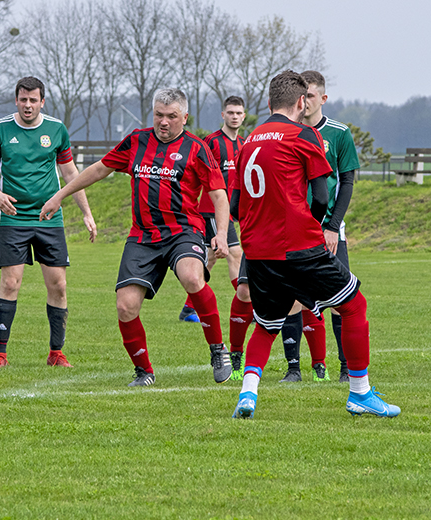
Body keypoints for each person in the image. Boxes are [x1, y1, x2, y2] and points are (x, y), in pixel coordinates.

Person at [230, 70, 399, 419]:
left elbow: (234, 205)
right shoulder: (304, 134)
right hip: (300, 246)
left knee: (266, 324)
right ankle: (360, 393)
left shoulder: (248, 142)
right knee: (354, 305)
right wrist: (313, 224)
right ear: (300, 102)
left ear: (267, 103)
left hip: (258, 250)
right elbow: (321, 197)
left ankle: (248, 393)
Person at [41, 88, 232, 387]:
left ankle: (218, 349)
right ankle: (144, 372)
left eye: (171, 116)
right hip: (142, 236)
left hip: (183, 231)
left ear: (185, 117)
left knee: (193, 278)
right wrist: (60, 196)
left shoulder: (197, 148)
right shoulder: (137, 141)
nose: (163, 122)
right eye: (158, 115)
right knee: (125, 305)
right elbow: (99, 168)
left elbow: (220, 196)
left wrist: (220, 234)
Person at [0, 76, 97, 369]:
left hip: (49, 218)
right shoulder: (0, 129)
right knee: (10, 283)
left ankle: (56, 353)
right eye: (23, 100)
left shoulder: (56, 129)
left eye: (34, 100)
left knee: (58, 285)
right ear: (16, 100)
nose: (28, 105)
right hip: (13, 217)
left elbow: (71, 174)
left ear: (42, 102)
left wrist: (86, 212)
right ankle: (0, 354)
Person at [278, 70, 361, 384]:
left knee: (341, 300)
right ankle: (294, 369)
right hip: (295, 231)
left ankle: (345, 368)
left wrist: (333, 226)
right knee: (292, 299)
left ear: (323, 98)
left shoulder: (338, 134)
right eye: (303, 96)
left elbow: (347, 182)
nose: (306, 102)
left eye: (311, 96)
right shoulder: (289, 134)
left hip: (328, 231)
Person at [179, 96, 254, 381]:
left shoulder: (244, 144)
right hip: (210, 209)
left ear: (244, 116)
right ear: (223, 114)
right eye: (230, 112)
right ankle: (245, 299)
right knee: (233, 254)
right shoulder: (211, 142)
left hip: (231, 211)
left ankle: (189, 307)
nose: (234, 117)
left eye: (239, 113)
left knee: (212, 258)